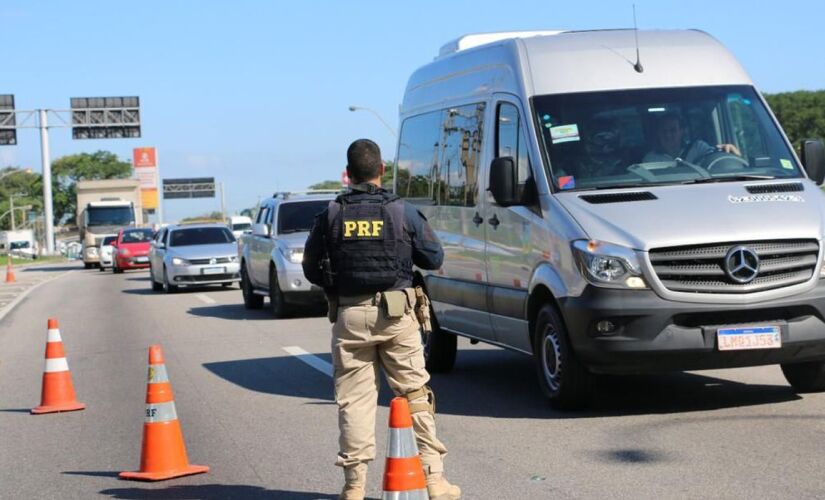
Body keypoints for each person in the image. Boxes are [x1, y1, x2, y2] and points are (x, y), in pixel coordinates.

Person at [303, 139, 460, 500]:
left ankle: (354, 487)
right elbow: (434, 257)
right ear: (382, 171)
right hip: (396, 314)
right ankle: (434, 480)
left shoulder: (330, 214)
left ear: (348, 173)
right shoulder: (401, 212)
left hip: (350, 315)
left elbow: (311, 268)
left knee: (355, 402)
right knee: (415, 393)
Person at [643, 112, 740, 163]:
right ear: (658, 133)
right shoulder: (650, 159)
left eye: (673, 130)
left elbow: (716, 160)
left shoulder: (699, 148)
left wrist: (729, 150)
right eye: (664, 131)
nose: (668, 135)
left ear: (682, 131)